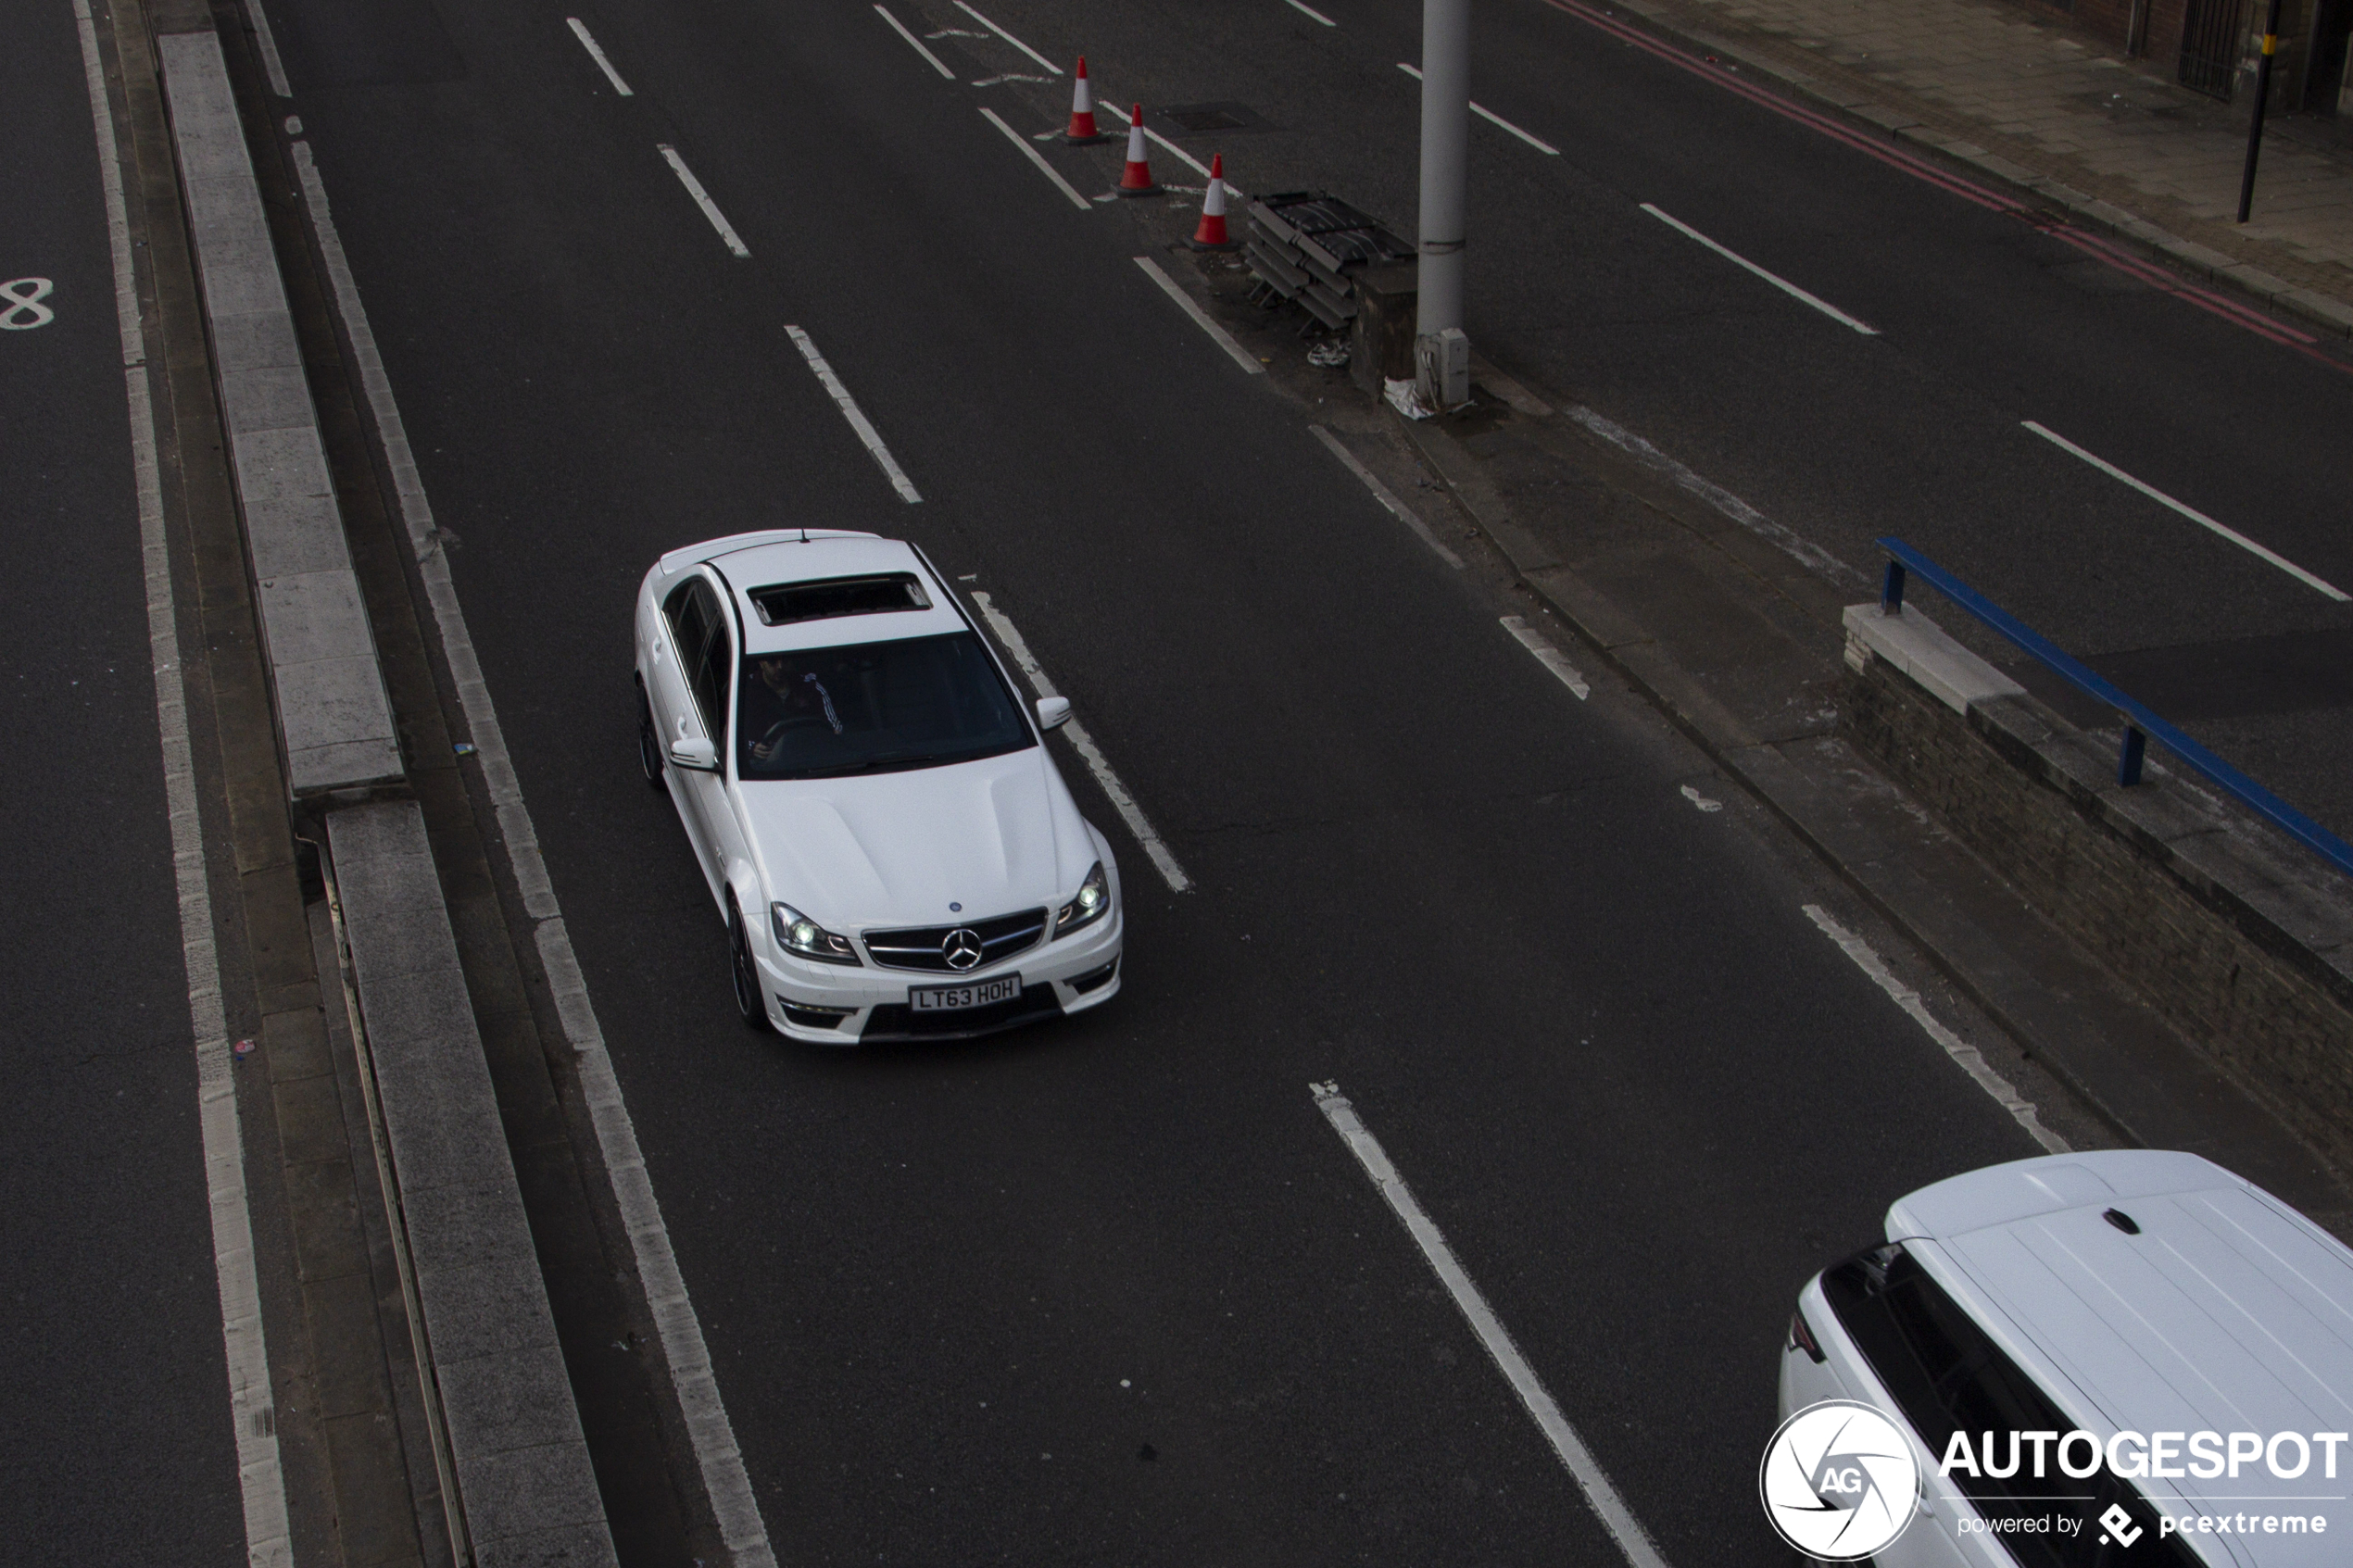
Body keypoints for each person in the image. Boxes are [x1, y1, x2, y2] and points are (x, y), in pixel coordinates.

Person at [744, 656, 844, 765]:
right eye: (772, 662)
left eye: (785, 661)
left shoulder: (811, 687)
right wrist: (752, 748)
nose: (780, 667)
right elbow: (731, 736)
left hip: (812, 761)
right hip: (765, 769)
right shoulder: (745, 691)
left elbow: (835, 729)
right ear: (761, 662)